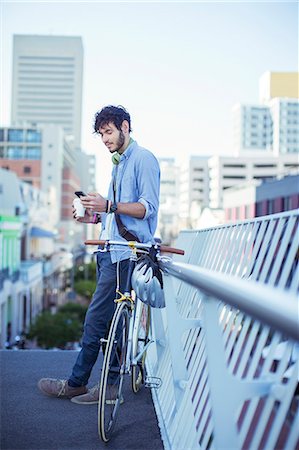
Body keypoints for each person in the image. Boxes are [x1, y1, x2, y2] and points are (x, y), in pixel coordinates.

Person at [37, 105, 160, 404]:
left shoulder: (143, 159)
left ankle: (79, 383)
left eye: (108, 132)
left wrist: (108, 206)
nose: (104, 139)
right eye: (101, 134)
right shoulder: (118, 163)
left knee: (96, 321)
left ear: (125, 127)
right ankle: (109, 385)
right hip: (109, 251)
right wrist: (92, 217)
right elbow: (115, 216)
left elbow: (148, 208)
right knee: (106, 323)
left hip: (126, 254)